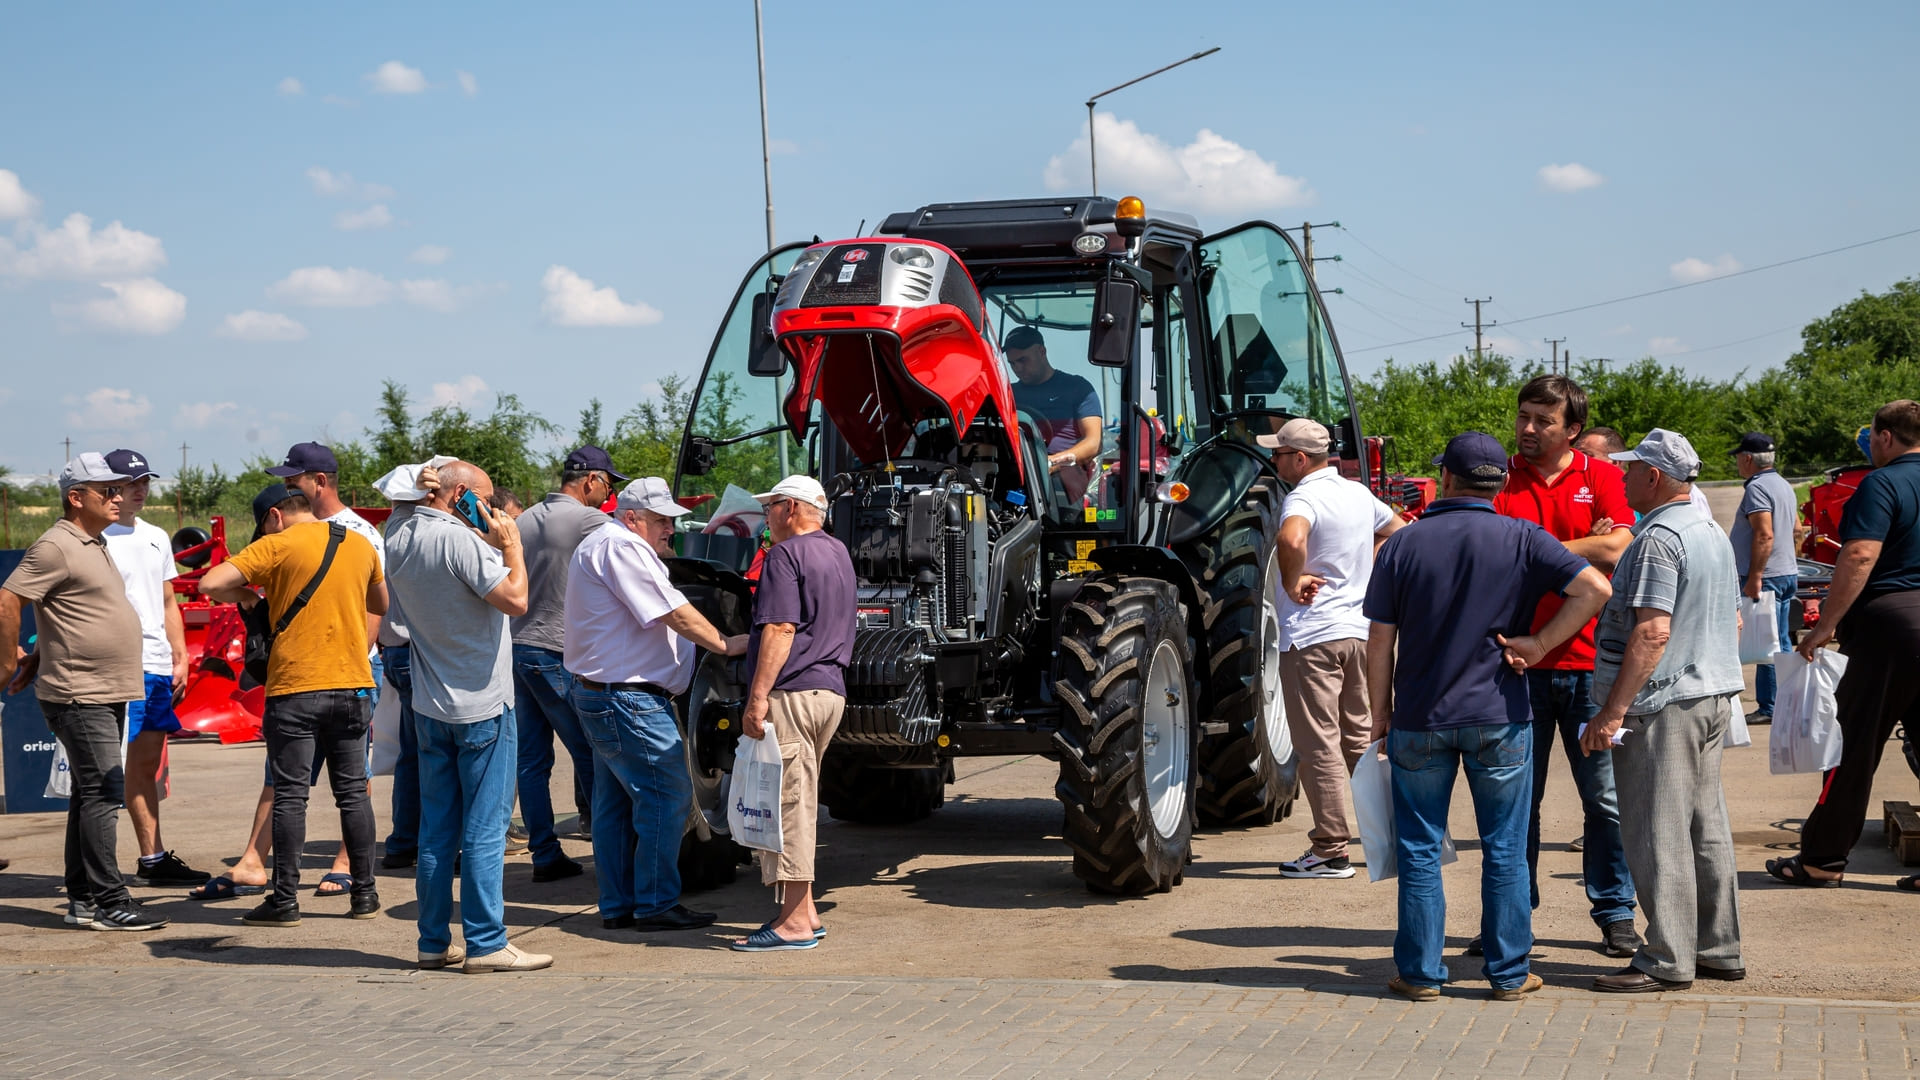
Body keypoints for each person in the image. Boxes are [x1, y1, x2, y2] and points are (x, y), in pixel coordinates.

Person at [1364, 433, 1611, 1001]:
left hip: (1420, 718)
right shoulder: (1524, 537)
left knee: (1420, 848)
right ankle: (1509, 974)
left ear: (1446, 478)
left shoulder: (1404, 544)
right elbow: (1594, 587)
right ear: (1500, 481)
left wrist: (1382, 711)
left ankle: (1422, 974)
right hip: (1500, 715)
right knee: (1504, 845)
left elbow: (1381, 636)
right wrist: (1541, 644)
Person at [1583, 429, 1745, 993]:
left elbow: (1652, 632)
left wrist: (1613, 710)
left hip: (1666, 703)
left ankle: (1668, 958)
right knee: (1706, 828)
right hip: (1711, 694)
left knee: (1657, 832)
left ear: (1654, 476)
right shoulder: (1708, 530)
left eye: (1630, 470)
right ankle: (1717, 946)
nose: (1622, 477)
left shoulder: (1657, 539)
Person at [1491, 375, 1641, 959]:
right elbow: (1494, 550)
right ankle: (1509, 917)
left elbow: (1619, 548)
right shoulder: (1501, 477)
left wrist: (1533, 546)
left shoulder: (1601, 475)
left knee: (1602, 801)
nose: (1528, 430)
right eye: (1523, 417)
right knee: (1515, 801)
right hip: (1515, 665)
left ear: (1572, 429)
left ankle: (1614, 913)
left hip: (1588, 671)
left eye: (1542, 421)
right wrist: (1581, 543)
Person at [386, 460, 551, 972]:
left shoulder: (397, 533)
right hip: (481, 704)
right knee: (484, 827)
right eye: (485, 499)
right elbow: (517, 599)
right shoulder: (460, 543)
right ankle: (486, 942)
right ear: (459, 495)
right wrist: (513, 547)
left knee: (437, 830)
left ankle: (433, 940)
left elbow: (400, 499)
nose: (495, 510)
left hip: (430, 703)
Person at [200, 483, 387, 927]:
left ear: (274, 517)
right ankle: (364, 894)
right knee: (353, 794)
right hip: (353, 685)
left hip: (295, 689)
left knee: (290, 797)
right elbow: (380, 602)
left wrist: (247, 595)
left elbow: (210, 582)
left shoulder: (276, 545)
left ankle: (284, 902)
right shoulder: (359, 543)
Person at [565, 477, 745, 932]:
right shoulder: (622, 547)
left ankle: (620, 903)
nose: (671, 529)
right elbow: (673, 611)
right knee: (668, 795)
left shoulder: (608, 544)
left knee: (615, 805)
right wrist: (724, 643)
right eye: (662, 520)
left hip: (610, 694)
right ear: (632, 518)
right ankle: (655, 902)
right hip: (626, 698)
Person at [0, 454, 166, 931]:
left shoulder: (92, 542)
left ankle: (83, 898)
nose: (118, 497)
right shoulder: (56, 545)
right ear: (77, 498)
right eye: (106, 491)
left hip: (104, 687)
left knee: (89, 793)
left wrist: (37, 656)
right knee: (104, 791)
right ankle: (110, 901)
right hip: (80, 692)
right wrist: (9, 660)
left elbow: (68, 611)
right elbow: (10, 598)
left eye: (119, 490)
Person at [1770, 400, 1920, 890]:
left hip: (1890, 625)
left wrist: (1823, 625)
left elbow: (1857, 555)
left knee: (1851, 744)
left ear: (1883, 437)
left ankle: (1822, 859)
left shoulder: (1883, 483)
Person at [1257, 419, 1404, 878]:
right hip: (1360, 632)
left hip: (1313, 634)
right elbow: (1398, 530)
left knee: (1317, 742)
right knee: (1362, 738)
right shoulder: (1357, 493)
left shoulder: (1302, 497)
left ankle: (1329, 849)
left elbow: (1290, 539)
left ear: (1300, 459)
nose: (1275, 460)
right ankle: (1392, 840)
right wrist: (1369, 570)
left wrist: (1290, 579)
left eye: (1279, 454)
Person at [732, 475, 857, 952]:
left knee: (789, 805)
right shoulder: (837, 553)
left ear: (790, 509)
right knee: (799, 796)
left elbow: (781, 628)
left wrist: (757, 695)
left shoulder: (786, 556)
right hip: (830, 693)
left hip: (794, 692)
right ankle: (805, 913)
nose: (766, 519)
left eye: (769, 509)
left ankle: (793, 925)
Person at [266, 441, 385, 893]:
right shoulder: (293, 531)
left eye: (291, 480)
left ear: (319, 482)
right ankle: (259, 863)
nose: (285, 488)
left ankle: (346, 865)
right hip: (302, 674)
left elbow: (377, 607)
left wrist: (354, 656)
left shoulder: (359, 533)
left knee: (352, 784)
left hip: (348, 674)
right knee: (288, 783)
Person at [514, 447, 626, 884]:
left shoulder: (524, 519)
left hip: (519, 644)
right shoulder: (589, 521)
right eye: (608, 484)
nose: (609, 493)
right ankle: (611, 853)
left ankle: (544, 852)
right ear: (590, 481)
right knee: (592, 752)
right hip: (558, 649)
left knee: (531, 761)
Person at [99, 449, 210, 887]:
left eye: (144, 481)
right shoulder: (94, 537)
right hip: (115, 666)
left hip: (156, 665)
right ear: (108, 488)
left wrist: (179, 653)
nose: (140, 489)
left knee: (145, 767)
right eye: (131, 482)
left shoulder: (155, 535)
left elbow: (167, 600)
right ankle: (97, 870)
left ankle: (152, 859)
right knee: (104, 772)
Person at [1730, 432, 1800, 723]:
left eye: (1738, 457)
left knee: (1766, 644)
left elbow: (1764, 533)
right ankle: (1788, 701)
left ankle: (1771, 706)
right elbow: (1796, 530)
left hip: (1766, 577)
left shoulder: (1757, 489)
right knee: (1780, 640)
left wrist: (1756, 576)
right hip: (1785, 572)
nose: (1737, 462)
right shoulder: (1783, 485)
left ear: (1748, 458)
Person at [1004, 326, 1103, 503]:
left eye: (1023, 360)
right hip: (1016, 475)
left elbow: (1093, 443)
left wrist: (1048, 463)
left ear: (1042, 351)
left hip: (1061, 481)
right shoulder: (1007, 393)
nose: (1017, 368)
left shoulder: (1077, 387)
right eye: (1012, 363)